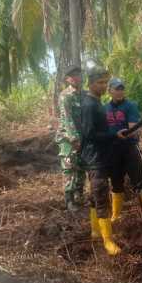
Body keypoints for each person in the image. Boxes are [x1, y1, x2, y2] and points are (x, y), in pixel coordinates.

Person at [81, 66, 127, 256]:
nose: (103, 86)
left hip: (98, 156)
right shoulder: (90, 104)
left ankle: (95, 232)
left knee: (94, 196)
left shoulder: (96, 101)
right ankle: (108, 241)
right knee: (101, 198)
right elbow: (89, 134)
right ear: (90, 83)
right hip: (95, 159)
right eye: (100, 83)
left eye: (104, 83)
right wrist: (113, 135)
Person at [105, 77, 142, 221]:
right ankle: (116, 215)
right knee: (116, 183)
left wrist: (128, 133)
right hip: (113, 151)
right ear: (109, 90)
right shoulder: (105, 108)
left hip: (130, 148)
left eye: (121, 88)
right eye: (116, 89)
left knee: (139, 182)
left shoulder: (130, 106)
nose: (119, 91)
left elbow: (133, 128)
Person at [55, 65, 86, 212]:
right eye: (73, 76)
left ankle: (80, 195)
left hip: (83, 136)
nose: (77, 78)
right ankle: (69, 200)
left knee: (81, 167)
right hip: (68, 138)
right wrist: (74, 139)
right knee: (69, 167)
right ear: (68, 79)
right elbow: (67, 119)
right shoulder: (65, 96)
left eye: (78, 74)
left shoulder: (85, 95)